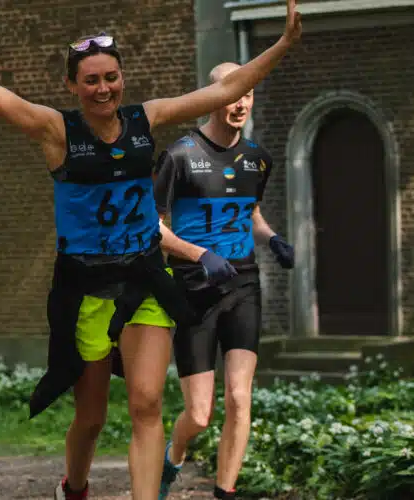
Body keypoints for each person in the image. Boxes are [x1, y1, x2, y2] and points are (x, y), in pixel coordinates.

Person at [0, 0, 302, 498]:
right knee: (91, 418)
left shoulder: (146, 119)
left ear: (122, 78)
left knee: (147, 405)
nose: (103, 88)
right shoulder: (57, 130)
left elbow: (223, 89)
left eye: (111, 77)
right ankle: (74, 487)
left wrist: (283, 44)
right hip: (86, 287)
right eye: (91, 80)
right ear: (72, 86)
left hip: (143, 279)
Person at [153, 62, 295, 500]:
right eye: (232, 94)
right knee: (199, 414)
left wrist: (272, 239)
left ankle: (225, 491)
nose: (240, 103)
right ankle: (174, 454)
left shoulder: (258, 159)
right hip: (193, 289)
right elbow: (150, 227)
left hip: (243, 285)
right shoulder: (179, 156)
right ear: (212, 97)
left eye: (247, 94)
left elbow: (250, 213)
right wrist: (201, 254)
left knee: (239, 396)